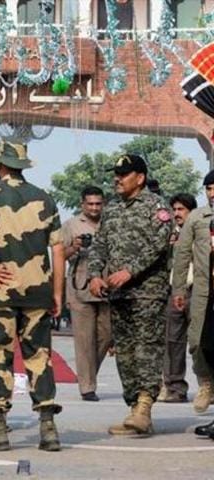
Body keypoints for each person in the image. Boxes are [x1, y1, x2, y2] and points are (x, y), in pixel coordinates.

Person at [0, 140, 63, 452]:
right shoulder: (45, 199)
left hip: (0, 293)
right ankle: (48, 428)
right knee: (39, 357)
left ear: (0, 165)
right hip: (39, 291)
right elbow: (58, 249)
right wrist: (57, 292)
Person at [88, 154, 172, 436]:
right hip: (119, 295)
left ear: (140, 178)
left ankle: (145, 406)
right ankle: (134, 408)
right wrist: (95, 274)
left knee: (146, 349)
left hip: (148, 292)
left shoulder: (156, 206)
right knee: (124, 352)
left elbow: (159, 243)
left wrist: (130, 271)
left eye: (124, 174)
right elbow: (99, 245)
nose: (117, 179)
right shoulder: (111, 209)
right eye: (116, 174)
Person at [61, 186, 111, 402]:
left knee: (106, 336)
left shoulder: (111, 224)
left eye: (98, 203)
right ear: (82, 204)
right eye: (90, 204)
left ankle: (89, 374)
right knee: (84, 340)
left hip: (107, 287)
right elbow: (59, 254)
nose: (94, 208)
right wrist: (74, 246)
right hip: (80, 286)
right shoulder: (71, 225)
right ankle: (87, 386)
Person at [173, 173, 214, 429]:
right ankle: (206, 383)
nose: (212, 193)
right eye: (208, 188)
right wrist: (178, 288)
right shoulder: (197, 218)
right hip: (202, 290)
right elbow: (182, 253)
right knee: (197, 341)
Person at [158, 193, 197, 403]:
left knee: (200, 341)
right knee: (172, 341)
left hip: (197, 289)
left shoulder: (200, 231)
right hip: (175, 292)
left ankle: (208, 386)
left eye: (181, 209)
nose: (176, 214)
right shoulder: (170, 234)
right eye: (174, 210)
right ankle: (174, 387)